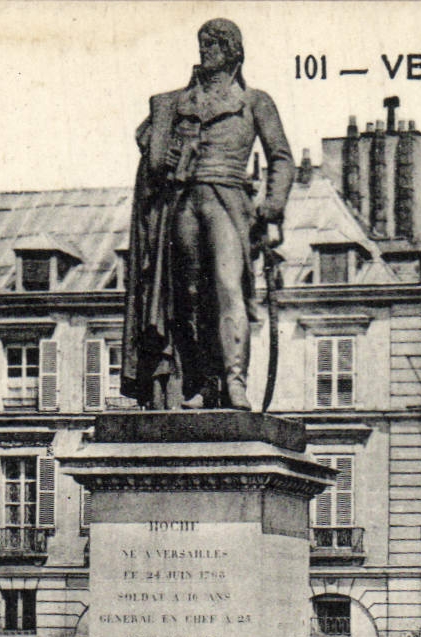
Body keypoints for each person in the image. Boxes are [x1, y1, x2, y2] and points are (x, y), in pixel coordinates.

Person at [125, 18, 294, 410]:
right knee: (187, 298)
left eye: (215, 43)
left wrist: (272, 203)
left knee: (227, 289)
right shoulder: (178, 103)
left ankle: (234, 383)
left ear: (234, 51)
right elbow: (149, 144)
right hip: (183, 203)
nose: (206, 49)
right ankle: (202, 384)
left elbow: (282, 158)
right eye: (203, 42)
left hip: (228, 199)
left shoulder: (254, 102)